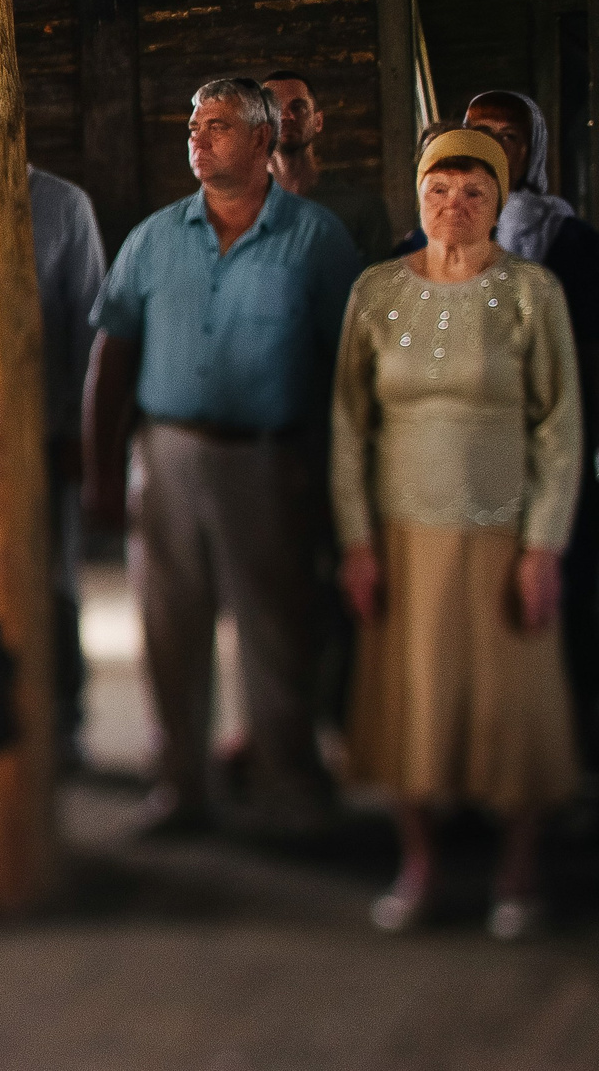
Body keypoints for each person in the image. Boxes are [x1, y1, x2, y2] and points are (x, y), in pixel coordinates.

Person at [85, 81, 363, 833]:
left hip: (268, 460)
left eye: (219, 126)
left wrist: (335, 476)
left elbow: (349, 365)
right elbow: (112, 353)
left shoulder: (317, 238)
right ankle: (180, 785)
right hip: (168, 452)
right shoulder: (155, 236)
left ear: (265, 142)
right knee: (170, 626)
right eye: (193, 125)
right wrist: (105, 469)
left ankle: (288, 785)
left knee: (277, 626)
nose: (198, 140)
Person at [332, 129, 582, 938]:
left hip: (503, 532)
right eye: (440, 189)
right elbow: (348, 425)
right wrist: (357, 540)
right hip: (402, 532)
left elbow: (559, 425)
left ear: (498, 203)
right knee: (411, 704)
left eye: (475, 191)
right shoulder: (375, 291)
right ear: (418, 197)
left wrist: (543, 543)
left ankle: (517, 870)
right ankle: (422, 865)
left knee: (515, 705)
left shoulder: (531, 291)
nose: (455, 205)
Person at [440, 90, 599, 765]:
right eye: (480, 133)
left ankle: (564, 755)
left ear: (533, 148)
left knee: (555, 603)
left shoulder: (570, 242)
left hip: (545, 458)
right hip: (464, 462)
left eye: (510, 135)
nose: (496, 148)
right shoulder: (436, 236)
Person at [30, 166, 108, 765]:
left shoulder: (63, 204)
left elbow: (90, 321)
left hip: (47, 430)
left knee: (55, 577)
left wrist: (82, 430)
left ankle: (64, 719)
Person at [265, 70, 396, 262]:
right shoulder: (236, 211)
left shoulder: (362, 208)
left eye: (298, 107)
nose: (286, 116)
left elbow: (379, 288)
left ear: (318, 121)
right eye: (273, 108)